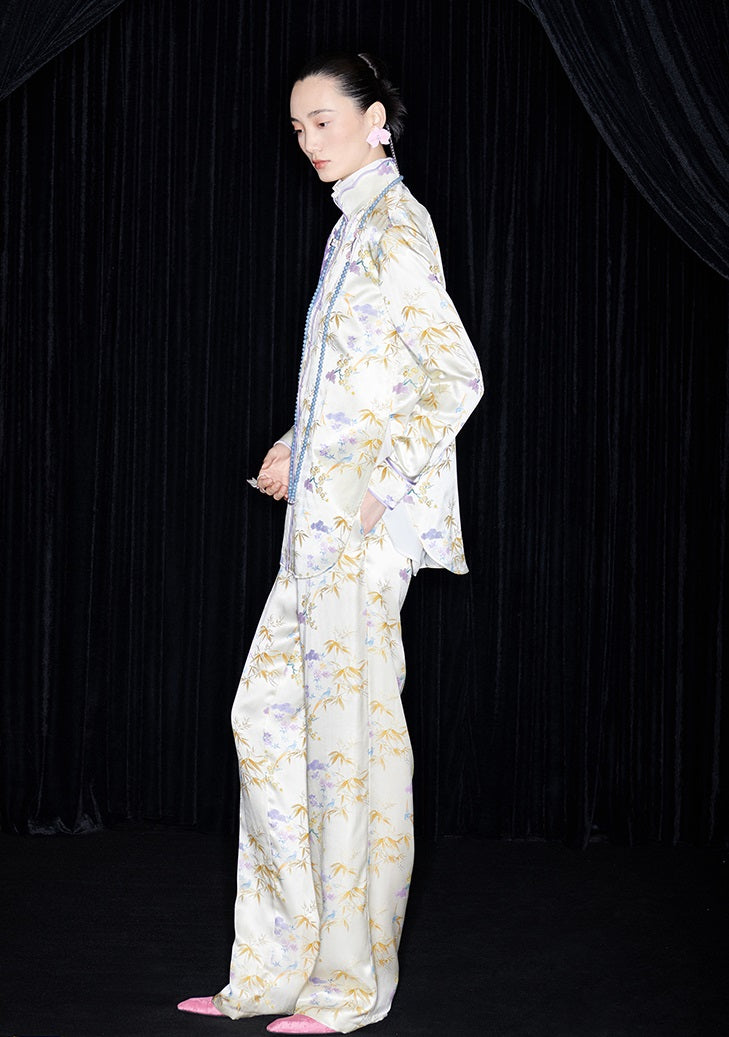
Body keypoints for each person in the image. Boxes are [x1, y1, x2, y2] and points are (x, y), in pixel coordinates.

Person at [178, 52, 483, 1035]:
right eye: (298, 126)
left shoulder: (396, 225)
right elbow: (359, 382)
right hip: (311, 532)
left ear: (375, 117)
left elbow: (453, 376)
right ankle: (276, 970)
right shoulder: (351, 227)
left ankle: (349, 989)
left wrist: (375, 486)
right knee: (268, 725)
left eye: (323, 119)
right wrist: (295, 442)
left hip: (356, 537)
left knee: (349, 755)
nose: (308, 138)